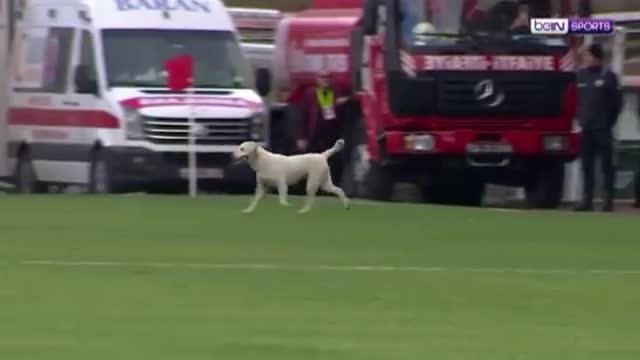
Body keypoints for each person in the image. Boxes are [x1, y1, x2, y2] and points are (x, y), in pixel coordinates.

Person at [574, 43, 623, 212]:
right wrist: (580, 118)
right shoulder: (580, 76)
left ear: (597, 57)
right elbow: (577, 101)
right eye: (585, 56)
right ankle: (586, 200)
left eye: (588, 56)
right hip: (586, 128)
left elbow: (616, 103)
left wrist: (607, 122)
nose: (586, 59)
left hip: (602, 128)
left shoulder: (608, 76)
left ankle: (607, 200)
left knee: (606, 165)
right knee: (586, 165)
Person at [298, 70, 348, 180]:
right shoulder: (311, 93)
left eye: (328, 77)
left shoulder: (335, 93)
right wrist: (302, 137)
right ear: (317, 79)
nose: (325, 80)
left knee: (330, 162)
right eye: (323, 77)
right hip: (314, 134)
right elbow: (304, 116)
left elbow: (338, 113)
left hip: (330, 135)